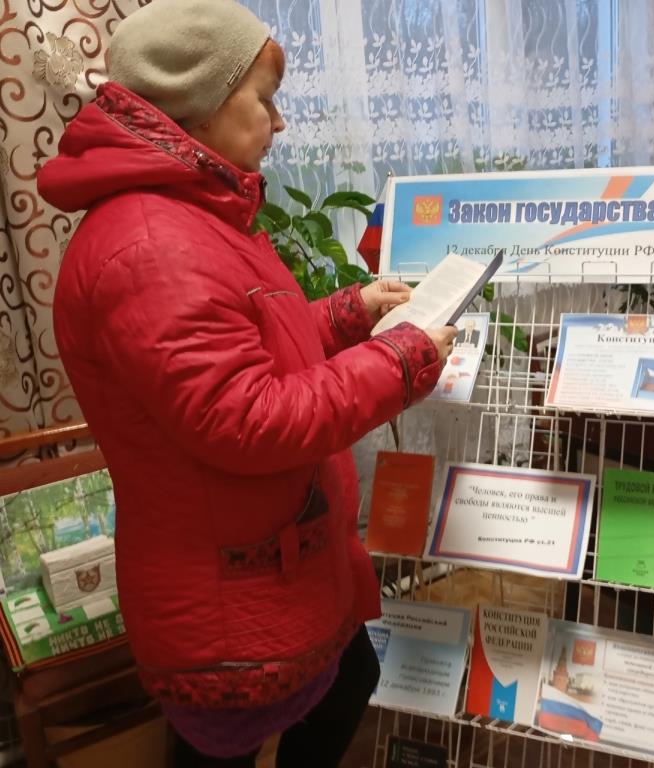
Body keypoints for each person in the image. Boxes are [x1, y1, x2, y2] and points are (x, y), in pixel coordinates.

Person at [37, 1, 457, 765]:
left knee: (345, 683)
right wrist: (401, 360)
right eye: (264, 99)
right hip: (233, 596)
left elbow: (253, 350)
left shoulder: (191, 219)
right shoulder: (151, 245)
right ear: (200, 104)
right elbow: (248, 417)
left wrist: (349, 313)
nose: (279, 122)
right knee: (242, 742)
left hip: (270, 566)